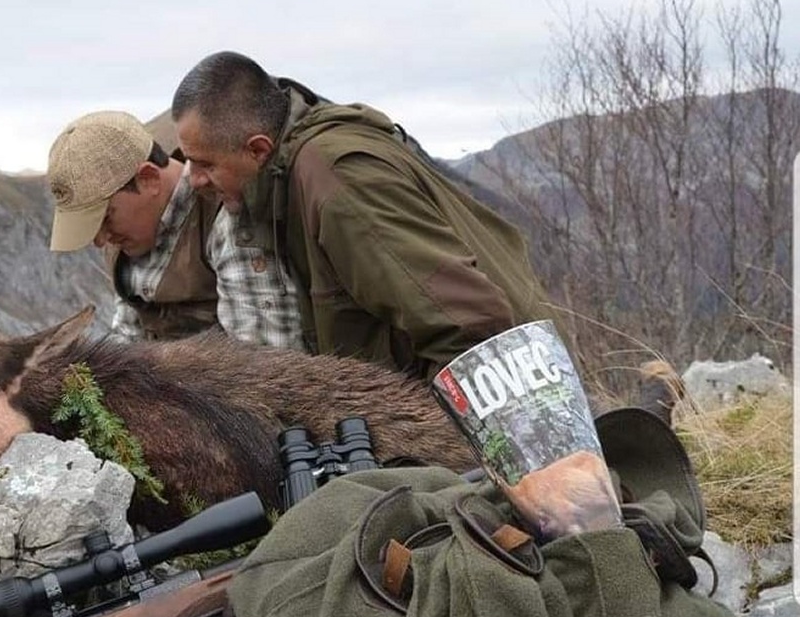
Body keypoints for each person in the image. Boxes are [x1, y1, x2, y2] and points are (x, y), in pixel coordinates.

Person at [171, 51, 555, 381]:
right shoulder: (292, 178)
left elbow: (469, 325)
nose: (194, 179)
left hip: (519, 398)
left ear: (257, 150)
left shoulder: (339, 185)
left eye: (204, 164)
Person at [46, 109, 304, 349]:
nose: (101, 240)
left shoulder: (228, 222)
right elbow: (125, 339)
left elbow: (264, 365)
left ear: (148, 178)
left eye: (105, 218)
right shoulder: (127, 236)